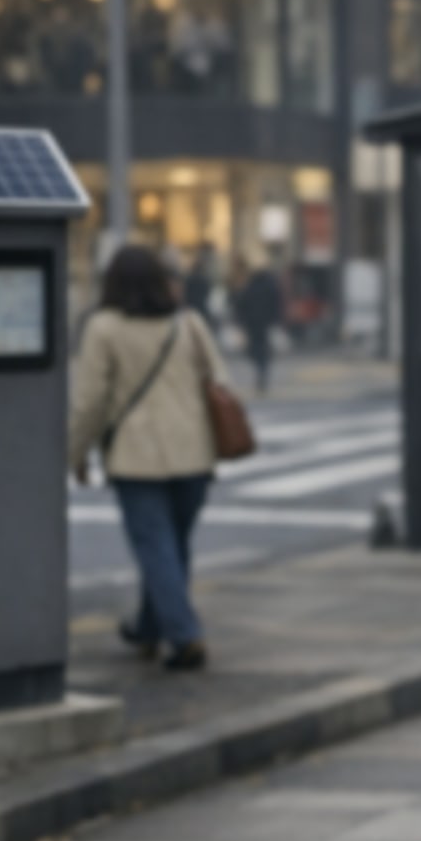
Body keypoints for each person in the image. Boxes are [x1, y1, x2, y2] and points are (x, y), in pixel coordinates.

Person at [70, 246, 230, 672]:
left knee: (157, 548)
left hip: (136, 458)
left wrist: (76, 454)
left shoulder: (103, 328)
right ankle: (147, 627)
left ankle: (184, 636)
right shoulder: (188, 322)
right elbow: (221, 381)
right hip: (194, 454)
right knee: (171, 547)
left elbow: (89, 403)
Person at [235, 254, 283, 394]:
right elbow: (276, 303)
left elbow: (242, 303)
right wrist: (276, 319)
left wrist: (242, 320)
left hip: (254, 323)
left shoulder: (251, 284)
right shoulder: (269, 284)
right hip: (263, 323)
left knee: (257, 349)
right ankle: (262, 373)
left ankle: (261, 373)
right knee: (262, 350)